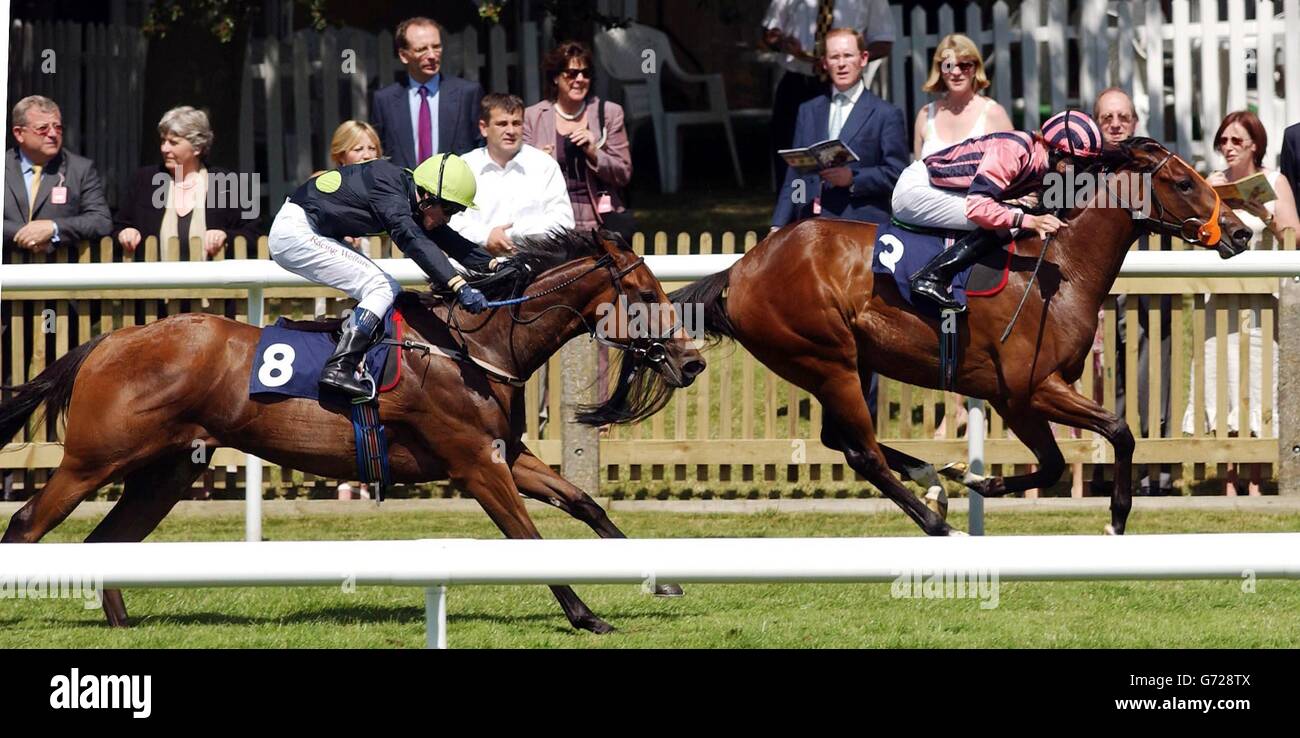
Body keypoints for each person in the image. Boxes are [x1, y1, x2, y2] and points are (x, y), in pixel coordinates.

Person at [267, 154, 496, 400]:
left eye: (457, 211)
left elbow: (450, 240)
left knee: (385, 287)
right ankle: (339, 367)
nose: (448, 218)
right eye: (448, 209)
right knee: (382, 287)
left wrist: (495, 265)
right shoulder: (387, 186)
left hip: (310, 229)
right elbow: (411, 239)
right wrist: (458, 285)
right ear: (427, 196)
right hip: (295, 232)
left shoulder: (411, 194)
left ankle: (350, 356)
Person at [1182, 110, 1300, 495]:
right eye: (1224, 141)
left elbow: (1292, 236)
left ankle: (1256, 476)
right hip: (1220, 295)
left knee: (1260, 380)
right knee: (1222, 380)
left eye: (1237, 141)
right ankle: (1229, 476)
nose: (1229, 148)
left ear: (1255, 146)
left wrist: (1261, 212)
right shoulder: (1209, 184)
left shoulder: (1274, 181)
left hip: (1261, 300)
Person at [907, 33, 1012, 441]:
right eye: (948, 64)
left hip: (981, 230)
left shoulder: (993, 113)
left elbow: (1015, 171)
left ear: (976, 69)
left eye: (964, 64)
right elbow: (915, 173)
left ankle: (985, 403)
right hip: (931, 230)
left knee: (978, 317)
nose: (956, 72)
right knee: (931, 315)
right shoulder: (925, 115)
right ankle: (954, 407)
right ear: (939, 69)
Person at [895, 110, 1105, 312]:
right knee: (1010, 221)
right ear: (1058, 152)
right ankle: (932, 277)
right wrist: (1031, 221)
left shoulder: (1042, 163)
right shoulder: (1014, 149)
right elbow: (978, 207)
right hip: (916, 191)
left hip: (940, 188)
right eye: (1078, 164)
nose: (1078, 173)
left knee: (1015, 214)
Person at [1090, 87, 1173, 495]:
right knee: (1108, 385)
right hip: (1095, 297)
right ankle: (1108, 475)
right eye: (1108, 118)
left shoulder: (1156, 167)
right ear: (1097, 123)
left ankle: (1158, 474)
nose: (1116, 124)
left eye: (1123, 117)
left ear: (1135, 123)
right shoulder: (1081, 173)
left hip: (1149, 294)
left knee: (1152, 379)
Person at [771, 28, 907, 228]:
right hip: (811, 225)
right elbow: (795, 176)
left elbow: (897, 173)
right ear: (825, 63)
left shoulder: (885, 114)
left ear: (863, 58)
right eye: (834, 57)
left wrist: (853, 179)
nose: (841, 64)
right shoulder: (808, 110)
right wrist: (780, 223)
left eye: (848, 55)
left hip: (861, 228)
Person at [761, 0, 895, 183]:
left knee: (840, 156)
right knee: (791, 158)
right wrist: (785, 44)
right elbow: (770, 33)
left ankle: (839, 208)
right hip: (799, 82)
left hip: (842, 85)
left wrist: (846, 60)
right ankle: (795, 207)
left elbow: (883, 42)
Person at [113, 106, 260, 259]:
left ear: (197, 147)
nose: (164, 148)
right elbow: (118, 226)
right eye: (163, 140)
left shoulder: (228, 182)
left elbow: (255, 234)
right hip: (155, 280)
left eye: (173, 142)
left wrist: (225, 236)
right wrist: (125, 233)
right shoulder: (144, 180)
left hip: (213, 281)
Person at [523, 40, 632, 233]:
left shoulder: (609, 113)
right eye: (572, 73)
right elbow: (519, 177)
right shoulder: (533, 116)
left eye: (586, 73)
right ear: (556, 77)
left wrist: (594, 152)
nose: (580, 79)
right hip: (550, 221)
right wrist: (539, 162)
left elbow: (623, 173)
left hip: (599, 221)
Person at [450, 94, 574, 253]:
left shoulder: (543, 165)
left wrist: (512, 235)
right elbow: (450, 220)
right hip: (475, 263)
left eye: (516, 123)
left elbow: (563, 221)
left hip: (533, 264)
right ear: (483, 128)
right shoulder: (465, 166)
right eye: (502, 124)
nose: (511, 130)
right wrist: (486, 236)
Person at [370, 16, 484, 169]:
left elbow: (481, 148)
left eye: (436, 46)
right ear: (404, 55)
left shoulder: (467, 94)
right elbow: (378, 154)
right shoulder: (385, 100)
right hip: (403, 190)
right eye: (421, 49)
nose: (431, 55)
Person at [4, 95, 111, 256]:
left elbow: (101, 221)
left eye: (58, 127)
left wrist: (53, 228)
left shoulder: (80, 169)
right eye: (43, 128)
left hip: (58, 272)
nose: (53, 134)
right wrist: (25, 234)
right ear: (19, 133)